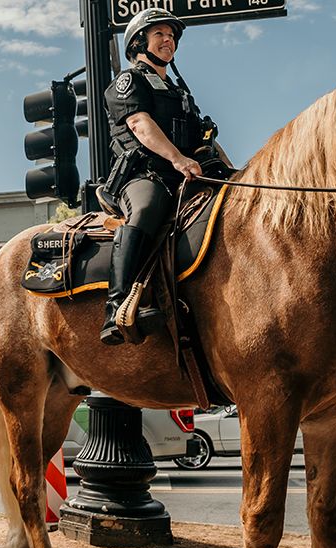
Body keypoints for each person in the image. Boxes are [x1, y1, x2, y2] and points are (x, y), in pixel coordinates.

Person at [98, 8, 215, 345]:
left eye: (172, 36)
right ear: (138, 42)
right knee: (147, 208)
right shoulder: (128, 80)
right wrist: (178, 159)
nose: (169, 40)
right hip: (143, 175)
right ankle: (116, 306)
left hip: (184, 175)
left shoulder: (180, 93)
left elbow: (202, 142)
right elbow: (139, 124)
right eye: (160, 34)